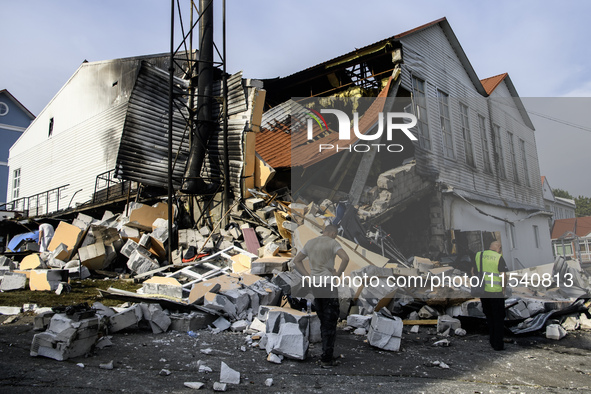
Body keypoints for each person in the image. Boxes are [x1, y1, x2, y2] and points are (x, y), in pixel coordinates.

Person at [292, 224, 349, 368]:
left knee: (323, 318)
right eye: (335, 235)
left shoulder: (310, 243)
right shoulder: (332, 242)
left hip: (315, 285)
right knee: (330, 320)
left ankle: (326, 353)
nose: (335, 237)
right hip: (328, 285)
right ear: (332, 233)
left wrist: (308, 275)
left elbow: (296, 260)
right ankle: (326, 359)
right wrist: (337, 274)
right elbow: (346, 258)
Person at [473, 241, 507, 351]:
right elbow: (503, 275)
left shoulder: (479, 255)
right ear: (499, 248)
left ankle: (492, 341)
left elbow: (473, 271)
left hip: (483, 292)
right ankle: (498, 344)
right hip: (496, 292)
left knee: (489, 316)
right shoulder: (498, 257)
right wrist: (503, 290)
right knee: (498, 318)